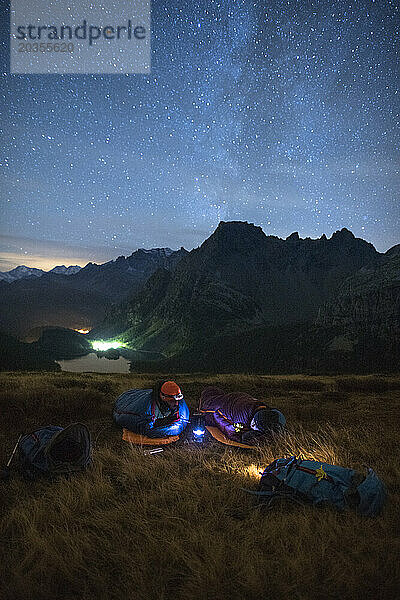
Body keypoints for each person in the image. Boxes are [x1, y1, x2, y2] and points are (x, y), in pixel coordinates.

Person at [199, 386, 286, 444]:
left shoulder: (263, 410)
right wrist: (237, 435)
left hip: (237, 400)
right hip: (225, 403)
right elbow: (218, 417)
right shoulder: (240, 418)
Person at [114, 380, 189, 438]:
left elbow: (182, 421)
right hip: (126, 399)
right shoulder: (146, 408)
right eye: (171, 401)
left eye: (177, 400)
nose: (176, 404)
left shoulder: (178, 400)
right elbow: (146, 429)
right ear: (163, 398)